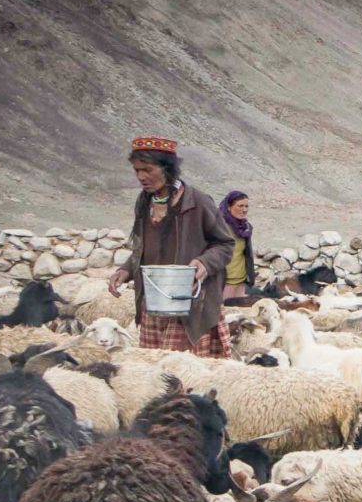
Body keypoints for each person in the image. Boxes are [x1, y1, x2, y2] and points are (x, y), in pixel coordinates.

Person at [107, 136, 236, 355]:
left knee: (181, 375)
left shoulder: (198, 203)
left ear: (167, 169)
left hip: (189, 305)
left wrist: (205, 263)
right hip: (154, 303)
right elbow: (144, 248)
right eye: (137, 170)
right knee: (152, 374)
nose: (141, 177)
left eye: (147, 170)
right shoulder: (144, 202)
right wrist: (126, 270)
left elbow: (225, 243)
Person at [219, 190, 257, 301]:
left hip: (241, 280)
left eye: (246, 206)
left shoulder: (246, 227)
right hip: (224, 281)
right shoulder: (219, 226)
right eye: (240, 206)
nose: (244, 210)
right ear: (229, 207)